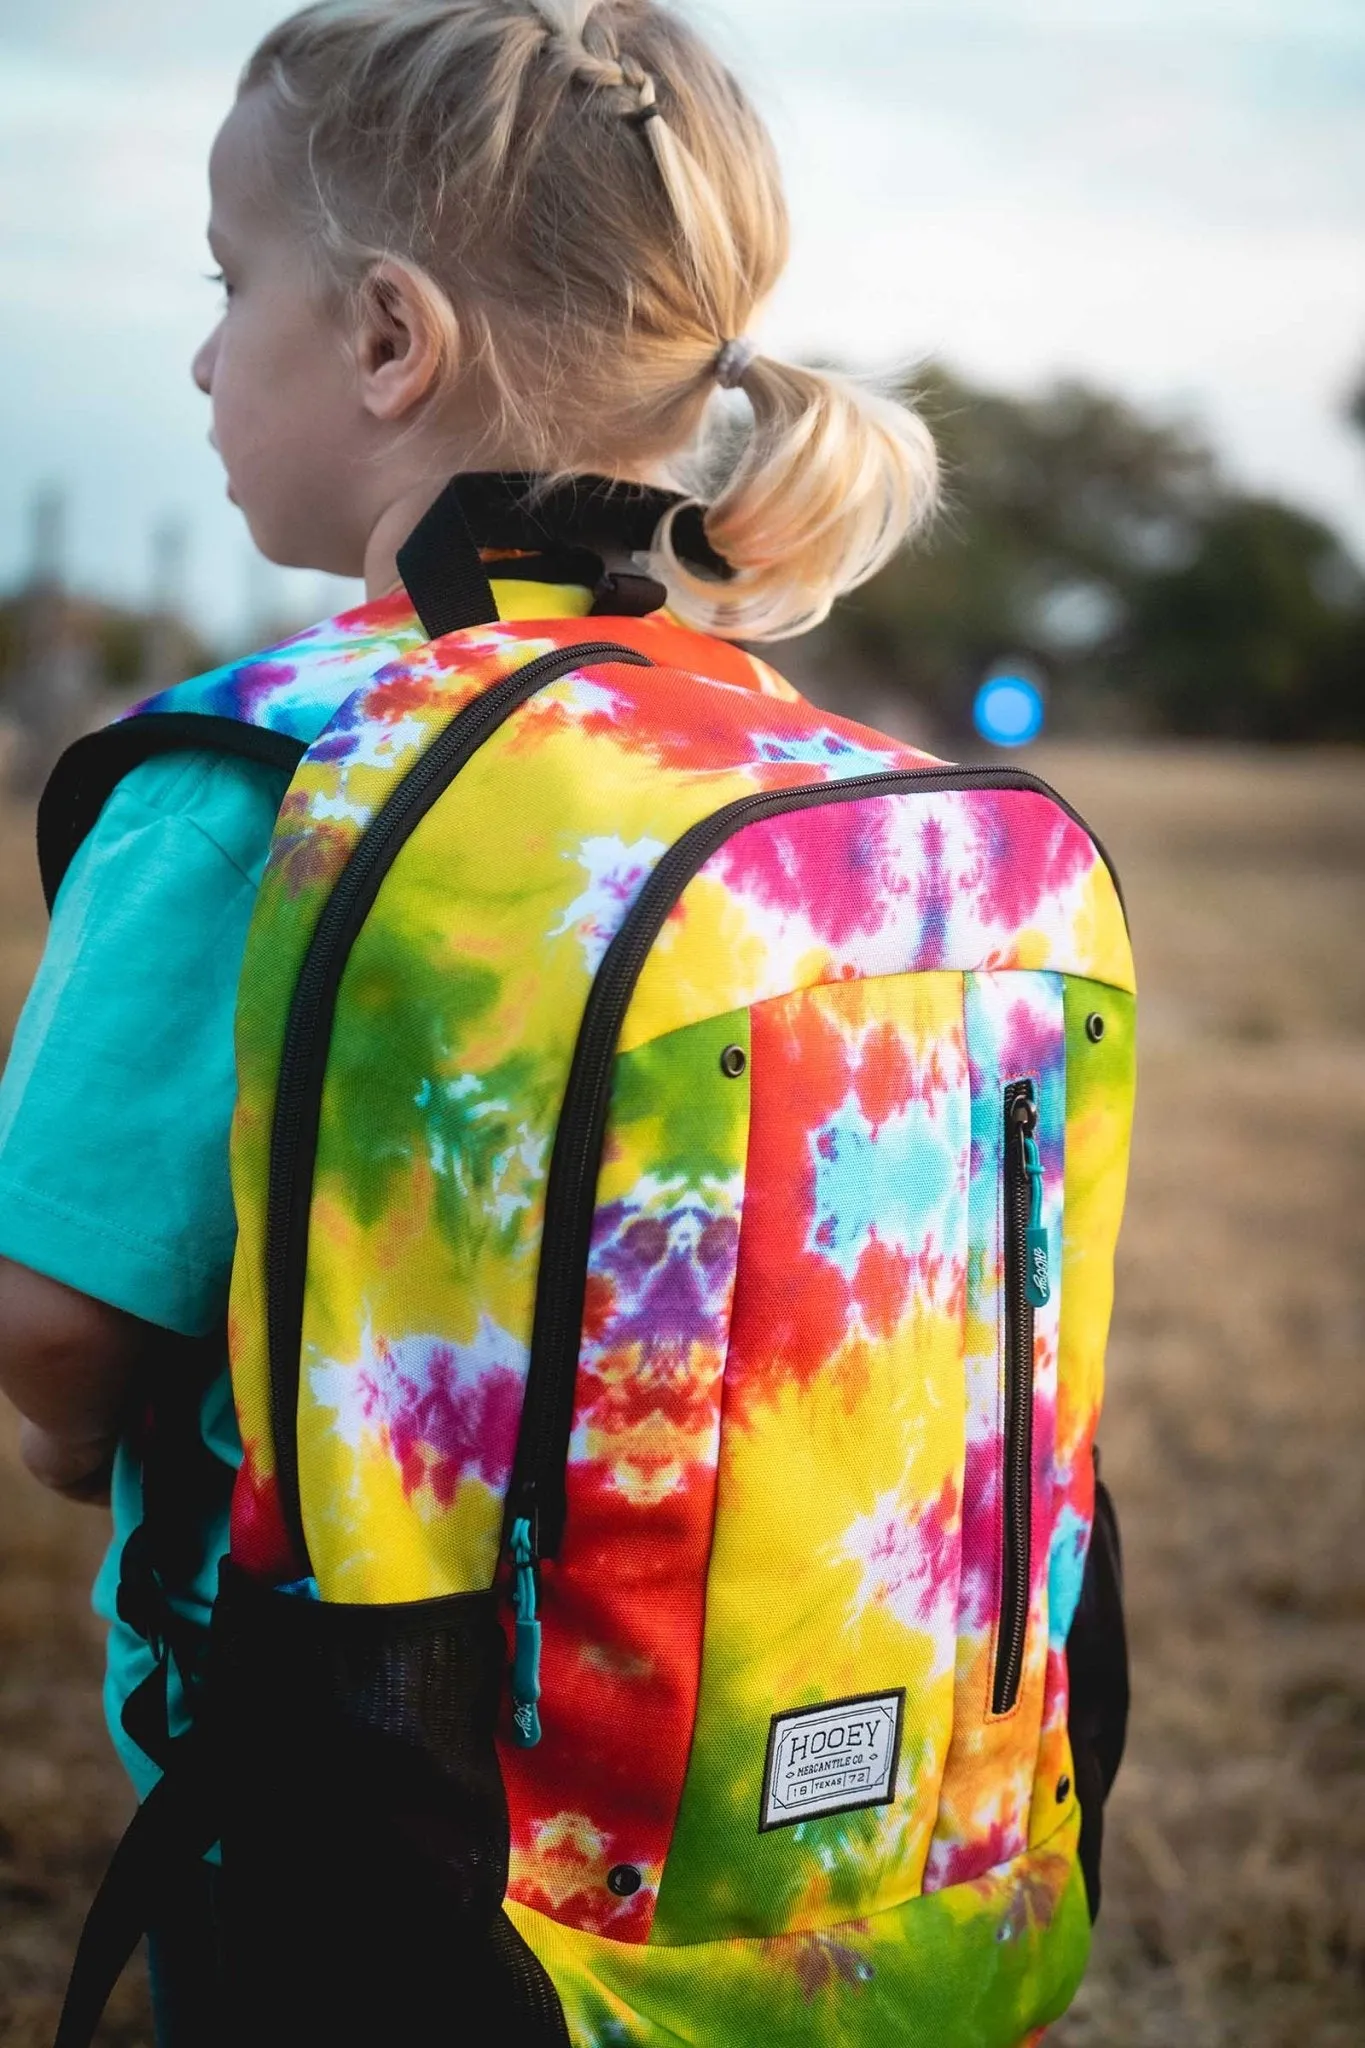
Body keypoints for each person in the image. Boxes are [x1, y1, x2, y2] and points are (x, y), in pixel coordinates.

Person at [0, 2, 937, 2038]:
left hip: (373, 1831)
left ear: (386, 341)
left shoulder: (254, 777)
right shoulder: (780, 765)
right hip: (807, 1811)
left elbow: (58, 1320)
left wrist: (83, 1443)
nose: (198, 351)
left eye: (229, 282)